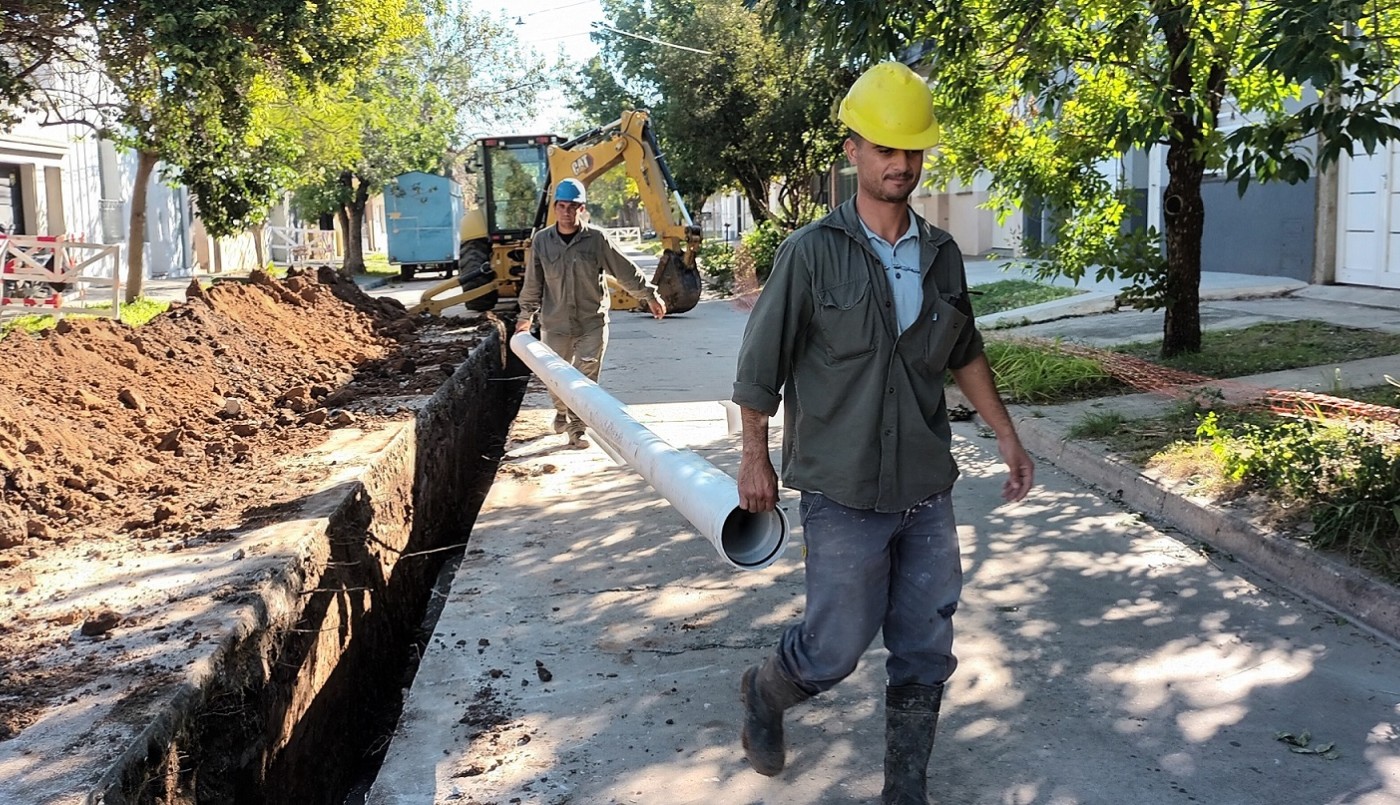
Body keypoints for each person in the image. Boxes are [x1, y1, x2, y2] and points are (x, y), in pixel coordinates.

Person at [730, 61, 1036, 804]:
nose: (901, 163)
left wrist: (1006, 434)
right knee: (833, 648)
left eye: (912, 149)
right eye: (885, 148)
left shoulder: (941, 254)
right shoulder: (809, 254)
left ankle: (905, 788)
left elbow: (962, 350)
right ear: (853, 152)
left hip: (927, 488)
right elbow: (758, 366)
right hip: (842, 490)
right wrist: (753, 456)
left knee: (927, 645)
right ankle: (764, 692)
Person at [516, 178, 667, 448]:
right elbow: (533, 282)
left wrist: (649, 295)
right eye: (562, 206)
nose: (567, 212)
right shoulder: (542, 242)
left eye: (572, 206)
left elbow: (624, 269)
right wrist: (525, 316)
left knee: (585, 378)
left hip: (591, 322)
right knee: (555, 379)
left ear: (581, 208)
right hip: (555, 323)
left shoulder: (596, 240)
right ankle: (561, 411)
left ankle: (577, 427)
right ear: (555, 208)